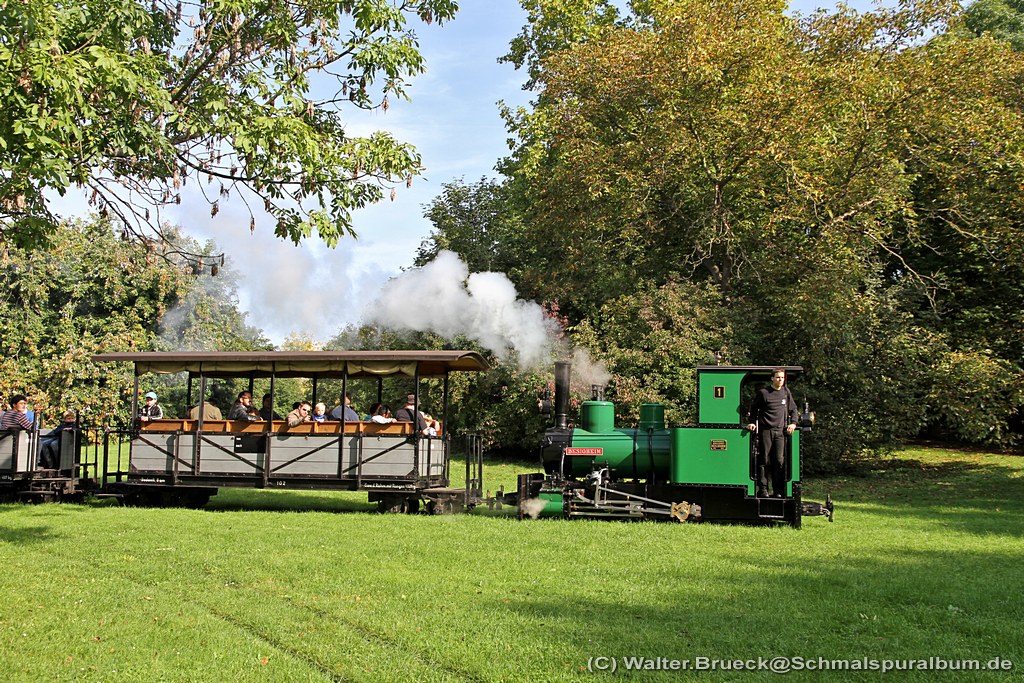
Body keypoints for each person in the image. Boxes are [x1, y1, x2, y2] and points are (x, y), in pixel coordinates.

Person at [746, 368, 798, 498]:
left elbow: (793, 409)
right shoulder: (764, 393)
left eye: (782, 378)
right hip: (765, 431)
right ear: (772, 378)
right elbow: (754, 409)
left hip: (780, 432)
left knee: (779, 461)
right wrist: (752, 422)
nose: (780, 380)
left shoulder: (786, 392)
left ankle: (778, 491)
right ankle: (763, 490)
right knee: (763, 460)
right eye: (778, 377)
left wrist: (793, 423)